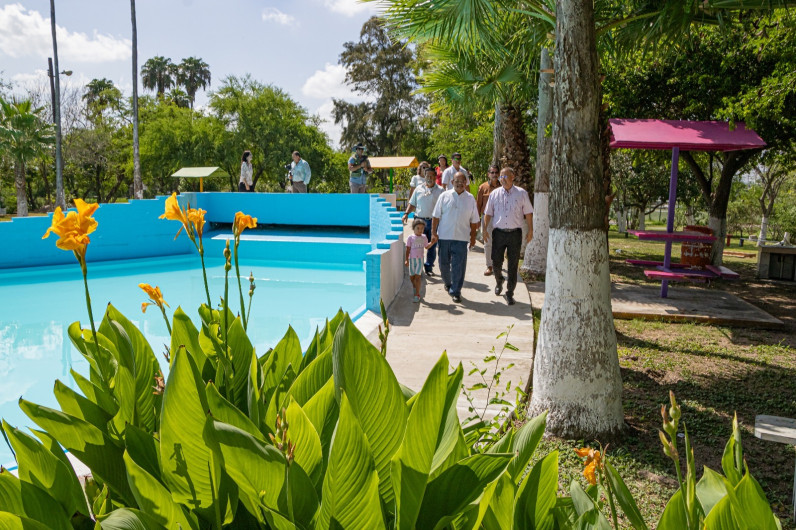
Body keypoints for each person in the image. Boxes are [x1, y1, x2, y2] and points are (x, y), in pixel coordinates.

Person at [483, 167, 533, 305]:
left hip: (515, 234)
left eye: (505, 176)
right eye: (501, 176)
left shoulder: (521, 194)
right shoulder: (495, 194)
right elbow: (488, 213)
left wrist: (531, 230)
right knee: (496, 262)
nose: (502, 179)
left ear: (513, 177)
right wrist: (484, 229)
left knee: (513, 264)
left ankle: (510, 292)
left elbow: (528, 213)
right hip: (498, 233)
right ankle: (499, 280)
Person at [429, 172, 479, 303]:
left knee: (459, 266)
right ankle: (447, 282)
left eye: (463, 180)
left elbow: (474, 221)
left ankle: (456, 291)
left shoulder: (470, 199)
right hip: (444, 236)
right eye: (457, 180)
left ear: (466, 183)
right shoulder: (444, 196)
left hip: (461, 238)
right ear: (452, 182)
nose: (460, 183)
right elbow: (436, 215)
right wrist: (434, 233)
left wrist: (473, 237)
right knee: (443, 264)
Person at [402, 166, 443, 275]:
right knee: (417, 245)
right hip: (419, 222)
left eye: (431, 176)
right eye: (427, 176)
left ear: (435, 177)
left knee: (432, 245)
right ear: (424, 177)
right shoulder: (418, 189)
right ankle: (417, 266)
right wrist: (406, 213)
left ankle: (428, 267)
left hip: (434, 222)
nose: (429, 178)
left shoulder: (441, 191)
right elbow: (412, 203)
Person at [477, 164, 501, 276]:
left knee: (500, 242)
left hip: (501, 218)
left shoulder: (504, 187)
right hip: (487, 218)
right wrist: (476, 220)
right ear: (488, 174)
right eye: (492, 172)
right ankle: (489, 266)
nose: (494, 174)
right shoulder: (483, 187)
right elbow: (478, 205)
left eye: (496, 172)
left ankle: (498, 265)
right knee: (487, 243)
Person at [405, 218, 433, 303]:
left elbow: (426, 246)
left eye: (422, 229)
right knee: (412, 277)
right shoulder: (410, 238)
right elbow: (408, 249)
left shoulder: (424, 237)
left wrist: (432, 242)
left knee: (418, 277)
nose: (420, 230)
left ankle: (417, 294)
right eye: (418, 228)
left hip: (420, 260)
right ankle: (415, 287)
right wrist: (406, 260)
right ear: (414, 228)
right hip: (412, 260)